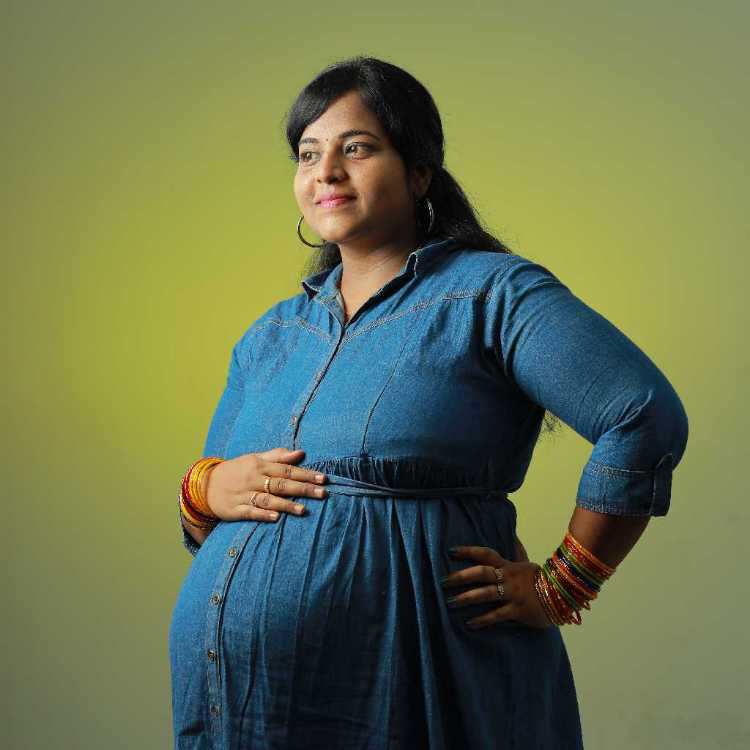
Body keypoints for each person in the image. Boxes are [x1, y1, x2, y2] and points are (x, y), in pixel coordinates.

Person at [168, 56, 688, 749]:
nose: (326, 173)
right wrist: (206, 488)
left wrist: (562, 586)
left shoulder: (492, 295)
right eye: (308, 154)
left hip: (412, 674)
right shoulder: (271, 335)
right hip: (238, 706)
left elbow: (642, 415)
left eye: (357, 148)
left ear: (419, 172)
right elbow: (208, 513)